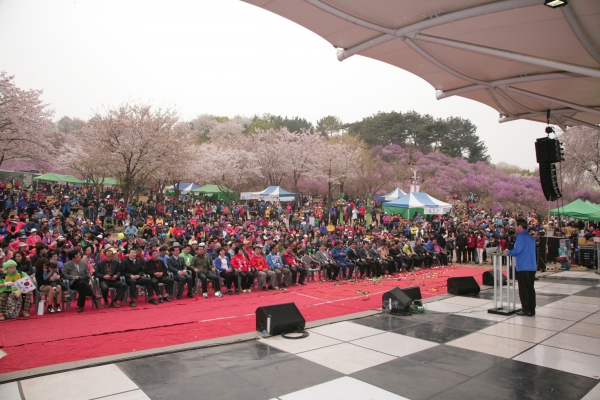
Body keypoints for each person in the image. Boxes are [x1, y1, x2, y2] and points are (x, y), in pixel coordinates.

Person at [504, 218, 537, 317]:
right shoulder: (530, 237)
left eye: (515, 226)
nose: (514, 228)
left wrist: (508, 252)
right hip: (531, 266)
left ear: (520, 226)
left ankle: (526, 309)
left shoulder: (521, 237)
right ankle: (531, 308)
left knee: (524, 289)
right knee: (530, 288)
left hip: (523, 266)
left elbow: (517, 251)